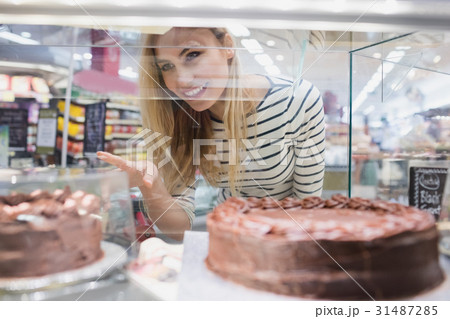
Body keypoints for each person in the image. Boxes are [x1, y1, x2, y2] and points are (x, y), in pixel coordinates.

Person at [97, 27, 325, 241]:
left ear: (227, 46)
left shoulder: (297, 100)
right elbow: (178, 228)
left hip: (287, 239)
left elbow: (307, 206)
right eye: (167, 66)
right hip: (227, 239)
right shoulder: (181, 119)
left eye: (192, 54)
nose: (183, 80)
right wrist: (152, 187)